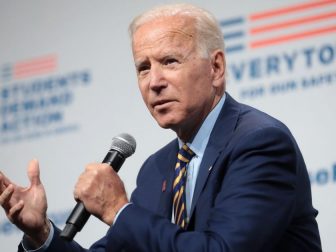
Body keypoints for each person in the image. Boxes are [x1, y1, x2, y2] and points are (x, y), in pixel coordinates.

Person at [0, 3, 322, 252]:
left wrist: (118, 209)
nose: (154, 82)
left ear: (216, 67)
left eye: (169, 62)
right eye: (143, 68)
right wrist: (40, 233)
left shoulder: (260, 143)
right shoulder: (156, 169)